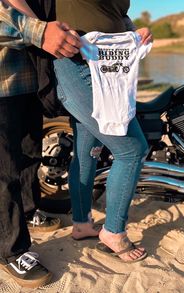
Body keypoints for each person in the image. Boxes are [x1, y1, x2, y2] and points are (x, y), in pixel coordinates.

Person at [6, 0, 153, 263]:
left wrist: (133, 31)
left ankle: (82, 223)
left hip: (110, 66)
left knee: (86, 152)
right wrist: (40, 30)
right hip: (76, 62)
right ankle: (114, 232)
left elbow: (115, 13)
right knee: (132, 150)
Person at [0, 1, 81, 288]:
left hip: (29, 79)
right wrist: (40, 31)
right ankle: (10, 250)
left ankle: (29, 210)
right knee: (4, 171)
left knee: (31, 154)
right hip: (2, 81)